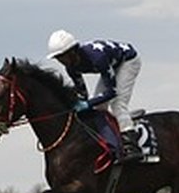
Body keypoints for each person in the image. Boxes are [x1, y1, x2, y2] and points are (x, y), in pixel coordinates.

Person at [46, 29, 143, 164]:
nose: (61, 61)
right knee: (98, 107)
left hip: (128, 61)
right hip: (112, 64)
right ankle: (111, 137)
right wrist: (77, 102)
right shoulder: (71, 68)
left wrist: (87, 104)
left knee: (118, 104)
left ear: (73, 51)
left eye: (62, 56)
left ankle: (132, 145)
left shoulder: (97, 58)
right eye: (58, 58)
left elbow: (111, 92)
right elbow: (82, 93)